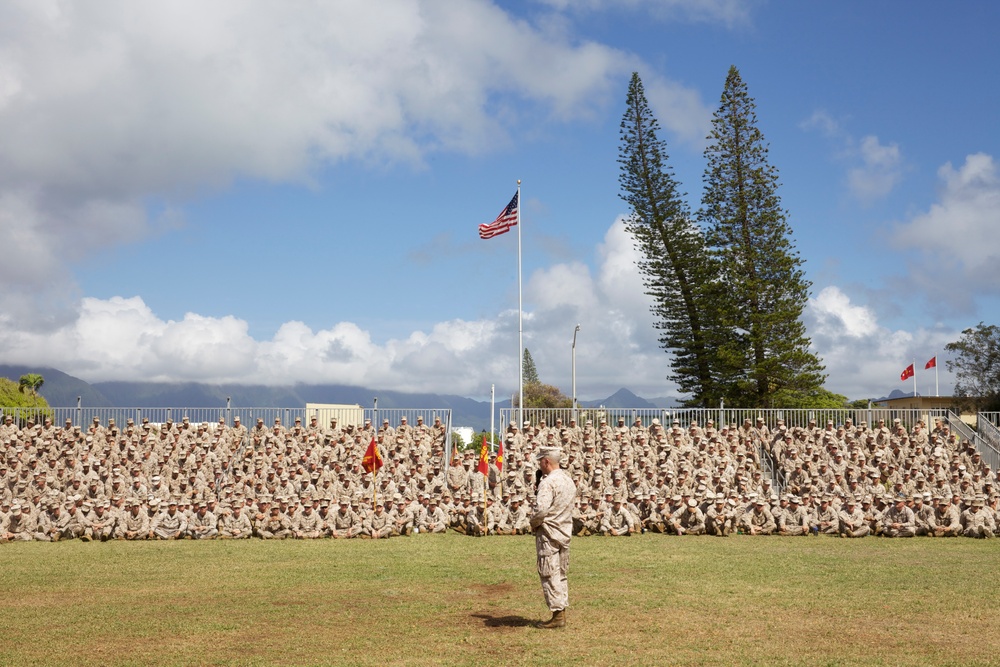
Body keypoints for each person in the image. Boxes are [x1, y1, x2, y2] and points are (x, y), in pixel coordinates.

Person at [529, 446, 576, 630]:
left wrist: (533, 523)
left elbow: (541, 510)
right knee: (561, 573)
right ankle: (561, 609)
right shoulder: (568, 480)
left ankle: (557, 615)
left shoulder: (548, 483)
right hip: (564, 531)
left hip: (548, 533)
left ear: (546, 461)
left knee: (549, 573)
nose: (539, 465)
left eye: (540, 461)